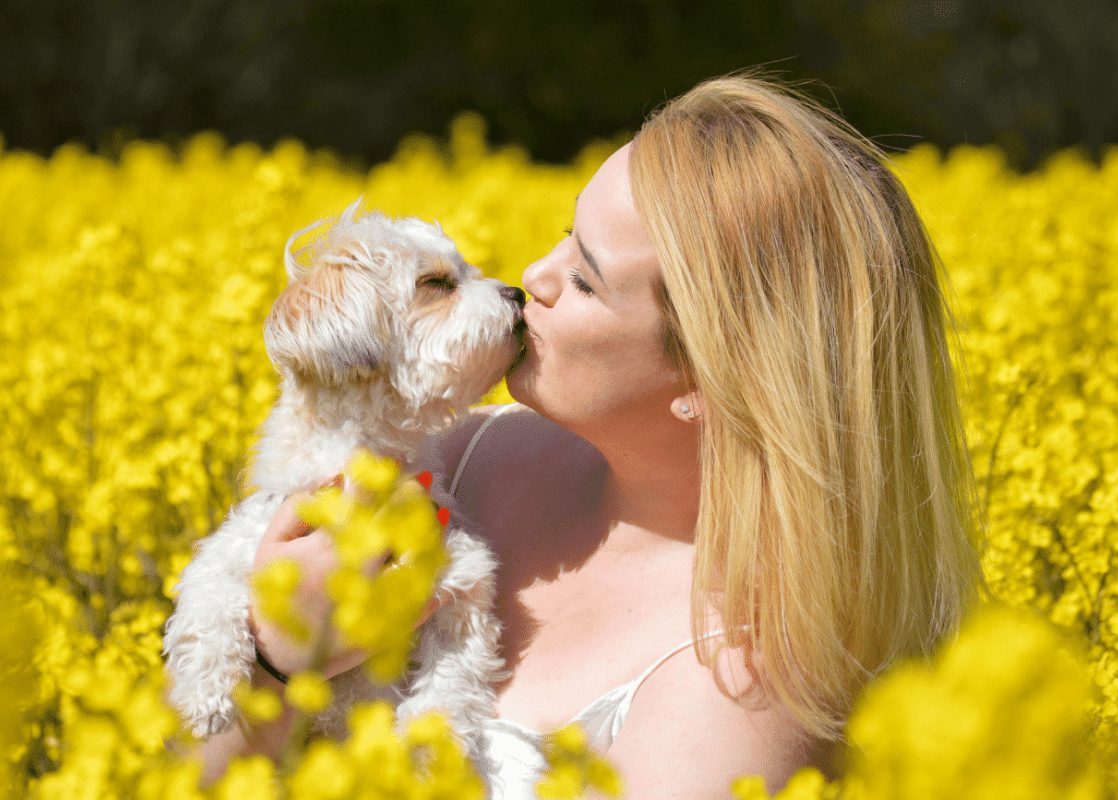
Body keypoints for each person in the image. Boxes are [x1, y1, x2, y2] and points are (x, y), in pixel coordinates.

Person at [191, 70, 984, 797]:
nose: (533, 274)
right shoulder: (457, 454)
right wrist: (269, 659)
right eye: (565, 235)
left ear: (707, 381)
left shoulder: (737, 698)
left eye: (584, 277)